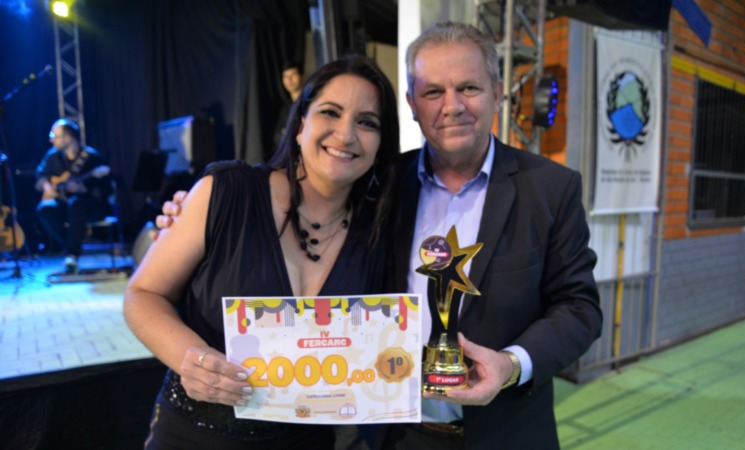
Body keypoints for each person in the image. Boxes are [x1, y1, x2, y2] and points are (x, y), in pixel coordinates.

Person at [158, 22, 603, 450]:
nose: (452, 106)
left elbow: (580, 308)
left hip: (507, 433)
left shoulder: (551, 188)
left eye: (468, 87)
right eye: (433, 92)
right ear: (412, 103)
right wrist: (193, 210)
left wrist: (511, 364)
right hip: (395, 435)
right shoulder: (380, 187)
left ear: (497, 91)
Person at [124, 55, 399, 450]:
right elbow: (143, 293)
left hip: (307, 443)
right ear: (300, 124)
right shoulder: (227, 191)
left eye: (367, 122)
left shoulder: (379, 230)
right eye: (330, 112)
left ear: (381, 143)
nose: (346, 134)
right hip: (194, 436)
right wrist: (190, 358)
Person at [35, 118, 111, 273]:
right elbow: (40, 178)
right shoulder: (52, 157)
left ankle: (72, 255)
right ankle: (71, 246)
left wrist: (85, 190)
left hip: (90, 207)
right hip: (64, 205)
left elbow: (106, 190)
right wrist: (47, 186)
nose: (51, 140)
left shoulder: (91, 157)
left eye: (54, 136)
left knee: (76, 202)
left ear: (68, 137)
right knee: (44, 209)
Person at [273, 61, 304, 150]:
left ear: (302, 76)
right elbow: (277, 136)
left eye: (293, 75)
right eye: (285, 77)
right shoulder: (285, 107)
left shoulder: (310, 102)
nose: (289, 80)